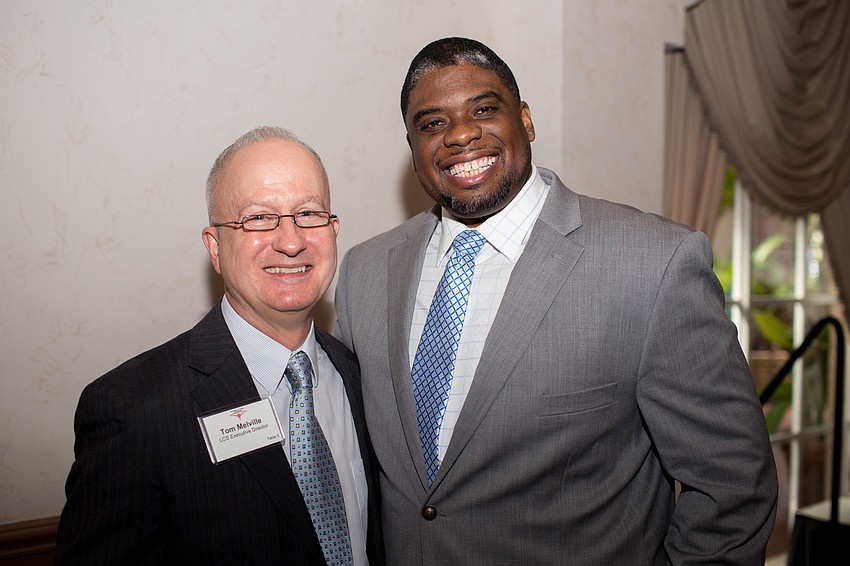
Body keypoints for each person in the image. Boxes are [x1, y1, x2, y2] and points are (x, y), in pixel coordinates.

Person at [334, 37, 777, 564]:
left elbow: (733, 489)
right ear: (412, 149)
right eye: (432, 124)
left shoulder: (654, 263)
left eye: (483, 109)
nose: (460, 135)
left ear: (525, 119)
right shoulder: (364, 271)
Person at [56, 126, 383, 565]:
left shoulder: (364, 376)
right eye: (259, 218)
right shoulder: (132, 410)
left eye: (308, 214)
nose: (291, 241)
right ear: (214, 247)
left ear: (333, 229)